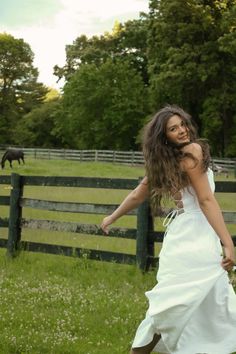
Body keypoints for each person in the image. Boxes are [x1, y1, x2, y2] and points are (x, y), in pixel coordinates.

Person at [101, 105, 236, 354]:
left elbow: (136, 195)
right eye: (174, 129)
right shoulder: (193, 152)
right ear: (165, 137)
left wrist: (112, 217)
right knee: (203, 301)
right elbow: (206, 200)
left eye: (182, 124)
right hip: (196, 235)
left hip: (179, 236)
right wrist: (228, 242)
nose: (182, 130)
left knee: (178, 302)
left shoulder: (167, 161)